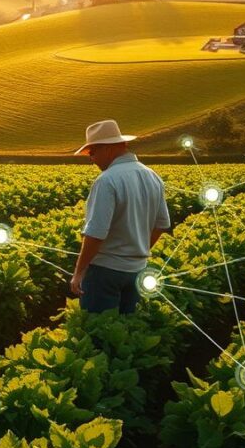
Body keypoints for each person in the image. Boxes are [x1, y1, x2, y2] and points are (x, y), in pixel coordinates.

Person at [69, 119, 170, 314]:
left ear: (107, 148)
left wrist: (79, 271)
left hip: (105, 272)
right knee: (127, 332)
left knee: (99, 333)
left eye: (92, 152)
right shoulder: (152, 176)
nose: (91, 158)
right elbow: (161, 225)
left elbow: (96, 233)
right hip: (138, 270)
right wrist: (137, 249)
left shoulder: (107, 180)